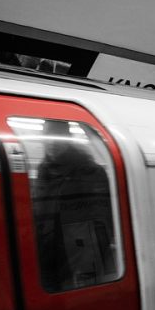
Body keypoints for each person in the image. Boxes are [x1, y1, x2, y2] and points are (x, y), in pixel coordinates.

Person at [33, 121, 114, 291]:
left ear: (68, 139)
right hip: (46, 259)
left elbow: (104, 221)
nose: (52, 143)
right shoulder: (43, 172)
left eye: (57, 138)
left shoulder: (90, 172)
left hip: (78, 262)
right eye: (47, 137)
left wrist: (88, 262)